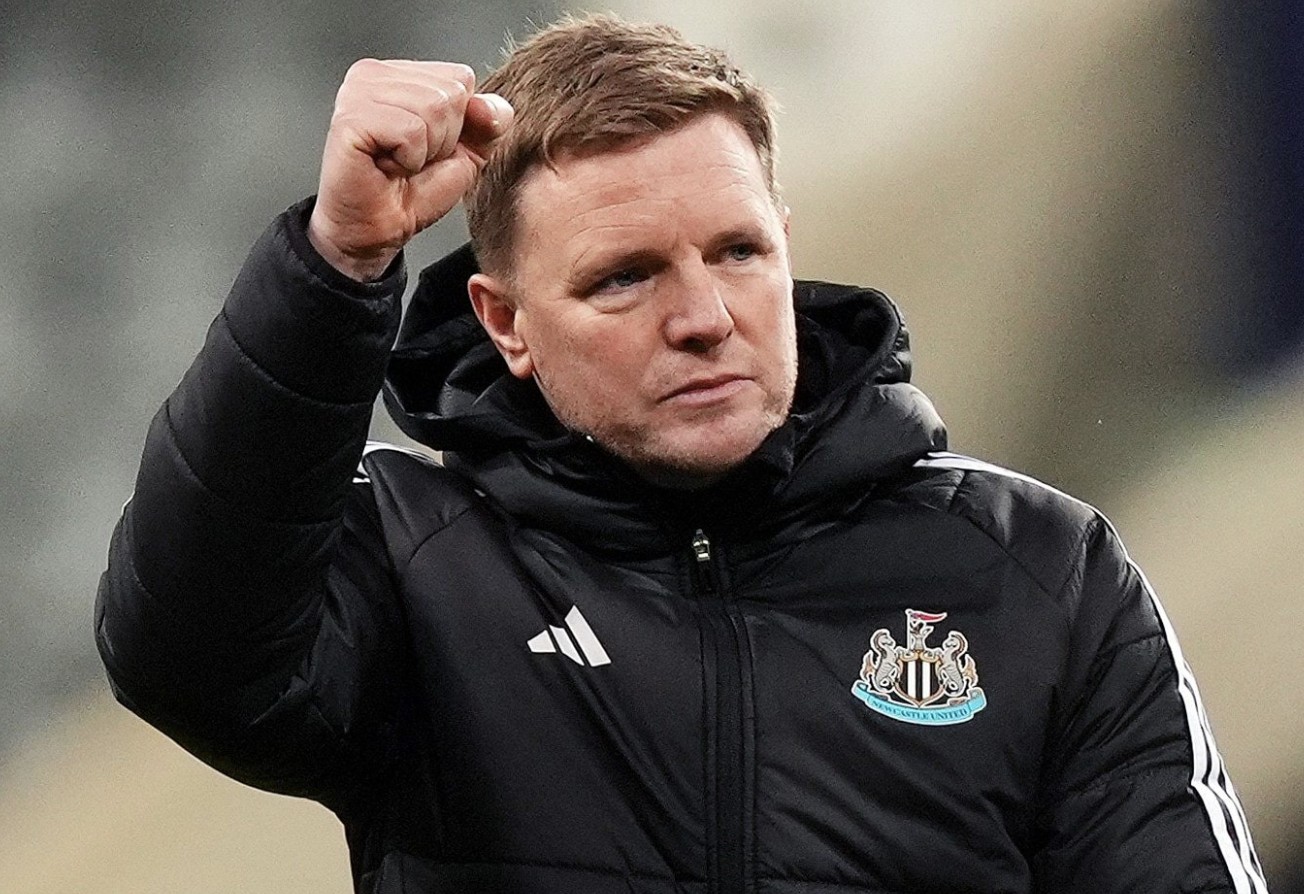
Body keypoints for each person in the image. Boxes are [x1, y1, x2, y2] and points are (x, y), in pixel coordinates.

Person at [95, 14, 1268, 894]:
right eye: (625, 278)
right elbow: (183, 652)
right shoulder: (414, 563)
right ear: (506, 324)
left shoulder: (1040, 573)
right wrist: (337, 263)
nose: (703, 315)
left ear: (786, 246)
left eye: (738, 252)